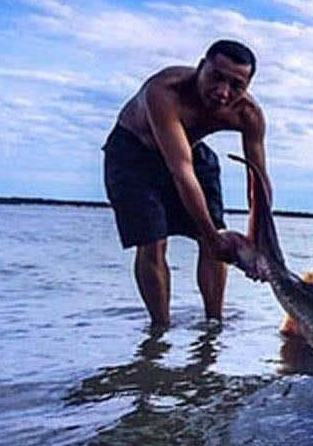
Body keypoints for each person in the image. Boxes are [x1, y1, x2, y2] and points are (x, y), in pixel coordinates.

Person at [103, 39, 272, 328]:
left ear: (247, 87)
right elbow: (181, 171)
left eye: (236, 85)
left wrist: (261, 243)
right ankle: (160, 330)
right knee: (154, 243)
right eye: (216, 78)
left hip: (191, 152)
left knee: (215, 235)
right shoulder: (164, 91)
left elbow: (258, 179)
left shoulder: (248, 114)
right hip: (133, 154)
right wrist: (212, 237)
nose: (222, 92)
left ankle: (214, 325)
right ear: (201, 67)